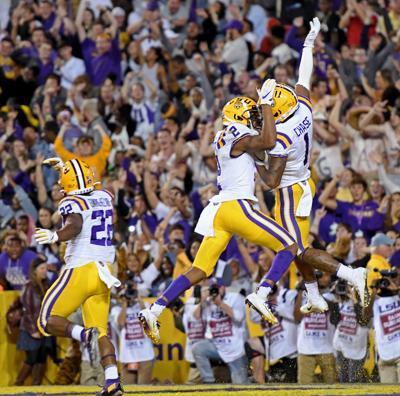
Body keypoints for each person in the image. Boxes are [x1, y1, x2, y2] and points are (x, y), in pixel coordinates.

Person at [139, 81, 301, 343]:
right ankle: (261, 294)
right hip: (237, 207)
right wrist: (268, 104)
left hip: (220, 211)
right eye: (252, 115)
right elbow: (270, 140)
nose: (256, 119)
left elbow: (268, 174)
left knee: (200, 269)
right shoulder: (238, 133)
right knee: (290, 245)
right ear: (239, 117)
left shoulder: (229, 137)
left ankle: (154, 309)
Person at [255, 18, 369, 313]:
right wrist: (308, 44)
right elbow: (303, 77)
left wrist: (252, 158)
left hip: (290, 191)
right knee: (294, 245)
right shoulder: (302, 106)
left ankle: (349, 273)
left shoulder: (280, 136)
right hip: (301, 182)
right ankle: (313, 294)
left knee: (297, 249)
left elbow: (269, 181)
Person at [33, 158, 123, 396]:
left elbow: (75, 224)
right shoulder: (105, 196)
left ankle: (84, 335)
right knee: (102, 331)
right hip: (104, 271)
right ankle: (113, 381)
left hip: (81, 267)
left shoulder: (70, 201)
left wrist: (55, 235)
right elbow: (90, 189)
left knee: (45, 320)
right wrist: (66, 168)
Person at [15, 256, 55, 386]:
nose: (45, 271)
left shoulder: (46, 284)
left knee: (42, 357)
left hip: (44, 327)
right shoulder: (29, 286)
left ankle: (37, 386)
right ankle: (18, 384)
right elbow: (28, 311)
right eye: (42, 268)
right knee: (32, 358)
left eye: (45, 268)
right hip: (31, 328)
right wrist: (33, 330)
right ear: (35, 271)